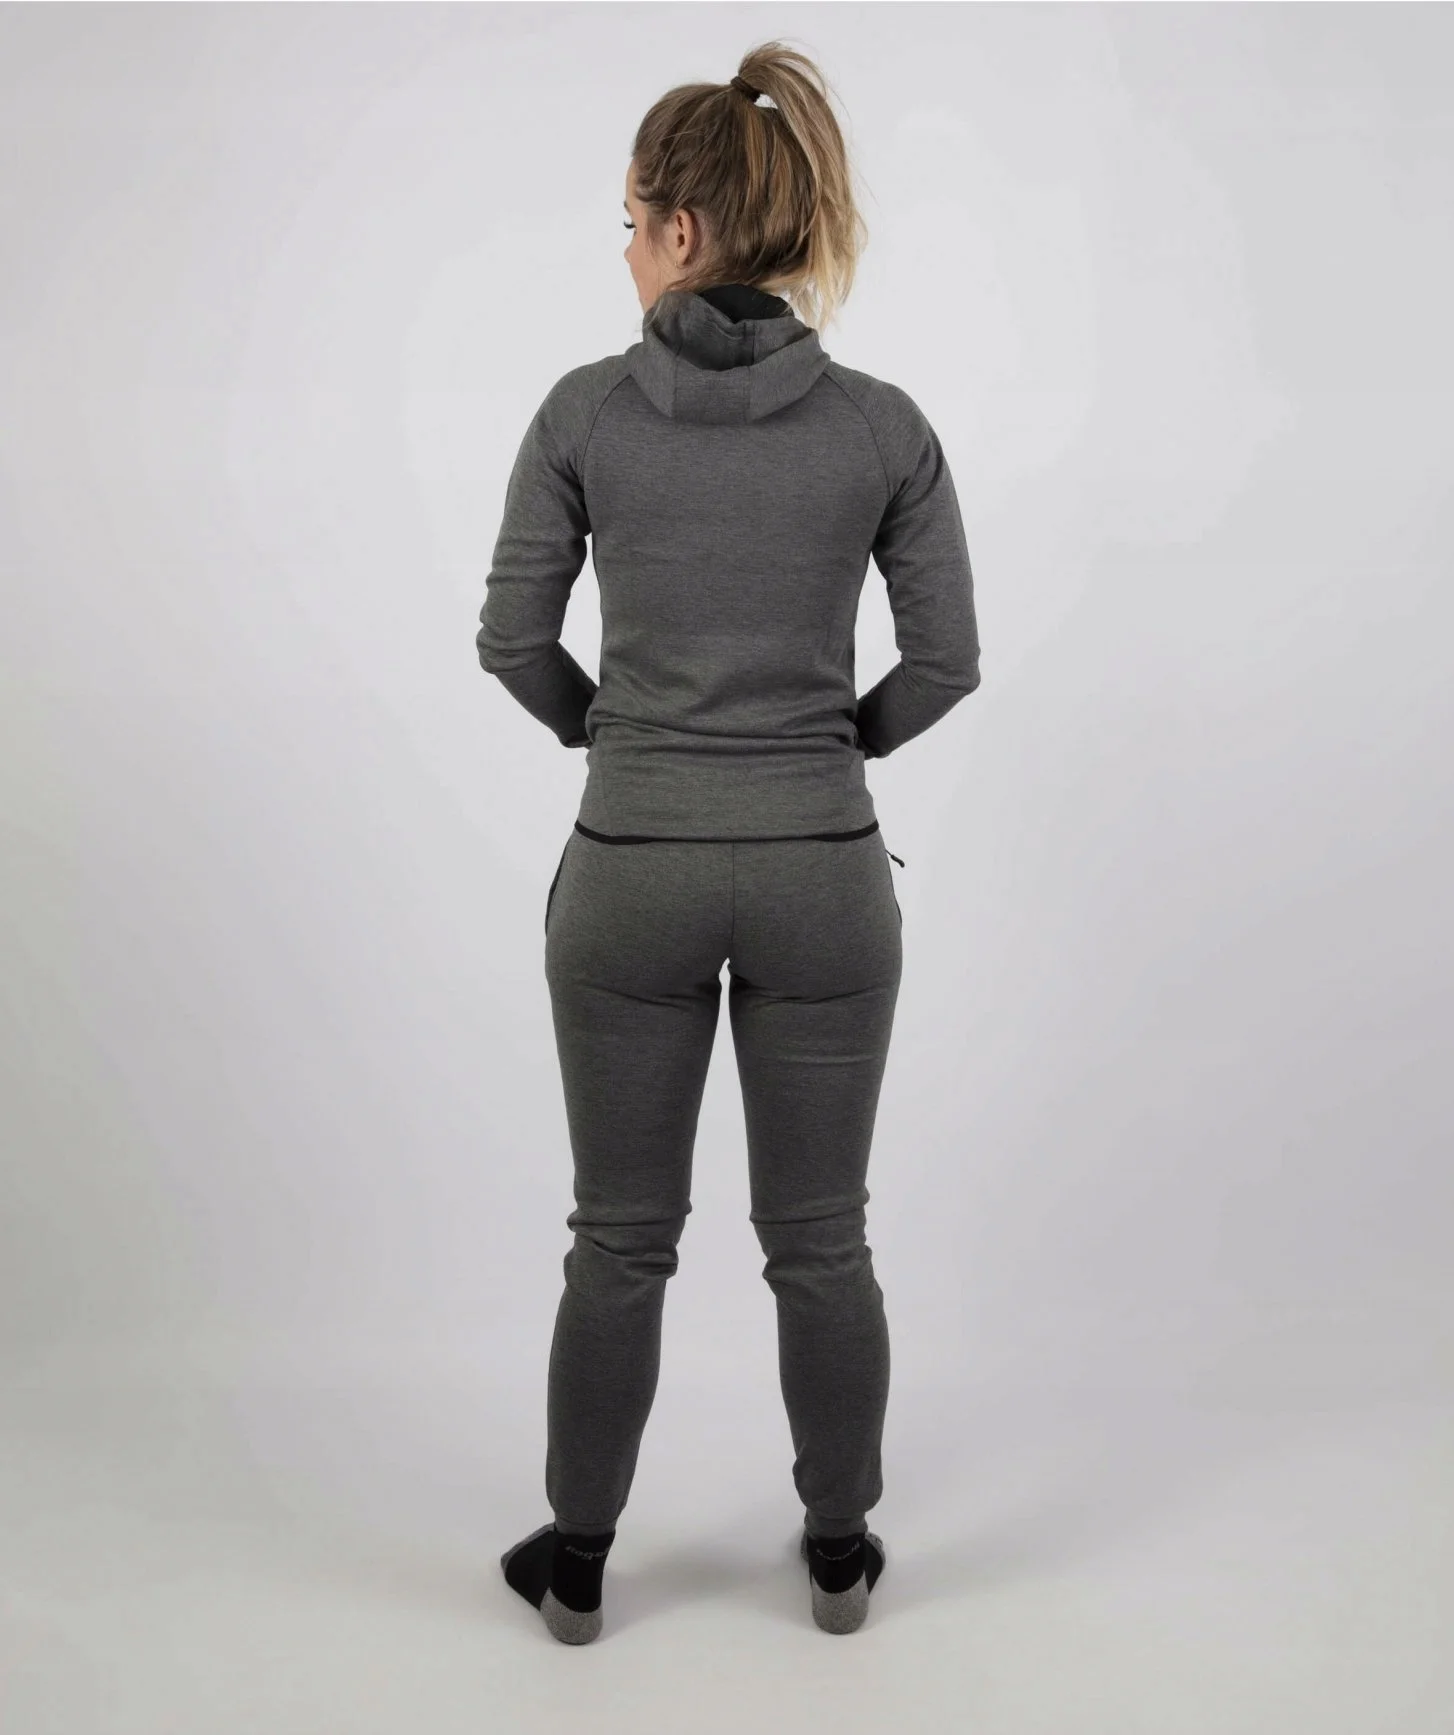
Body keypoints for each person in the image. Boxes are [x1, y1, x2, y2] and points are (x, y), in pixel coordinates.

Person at [486, 41, 982, 1643]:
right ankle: (838, 1553)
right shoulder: (881, 429)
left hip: (629, 870)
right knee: (820, 1239)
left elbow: (510, 641)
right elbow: (946, 661)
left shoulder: (582, 413)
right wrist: (839, 747)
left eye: (632, 223)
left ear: (684, 231)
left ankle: (577, 1563)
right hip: (821, 873)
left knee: (618, 1240)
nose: (625, 251)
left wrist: (614, 737)